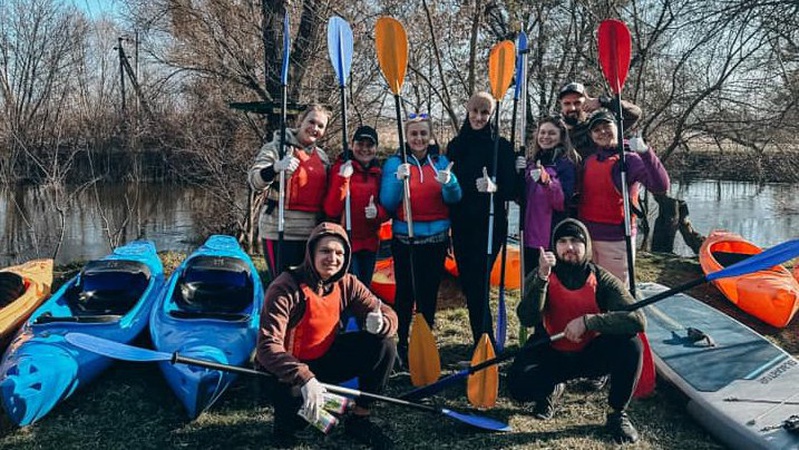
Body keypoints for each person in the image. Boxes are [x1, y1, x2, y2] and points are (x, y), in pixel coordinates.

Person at [256, 222, 398, 449]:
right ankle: (289, 420)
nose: (333, 258)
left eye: (339, 253)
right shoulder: (285, 287)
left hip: (324, 359)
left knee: (385, 345)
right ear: (311, 253)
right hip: (285, 372)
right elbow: (266, 347)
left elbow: (385, 310)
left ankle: (360, 417)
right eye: (325, 251)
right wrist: (304, 377)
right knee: (295, 424)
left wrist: (384, 323)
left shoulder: (347, 283)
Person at [507, 218, 645, 444]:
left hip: (590, 354)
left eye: (575, 241)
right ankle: (551, 389)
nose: (569, 247)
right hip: (551, 352)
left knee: (632, 345)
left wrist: (589, 321)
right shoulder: (542, 273)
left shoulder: (602, 279)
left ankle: (617, 414)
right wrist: (542, 278)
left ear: (586, 246)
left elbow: (637, 320)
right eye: (562, 241)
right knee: (518, 388)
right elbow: (527, 318)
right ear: (555, 245)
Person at [380, 113, 462, 368]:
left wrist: (450, 183)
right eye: (413, 134)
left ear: (431, 136)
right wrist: (397, 181)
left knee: (428, 294)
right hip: (406, 238)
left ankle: (424, 339)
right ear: (407, 136)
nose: (418, 138)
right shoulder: (395, 164)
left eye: (423, 133)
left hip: (436, 238)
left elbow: (454, 199)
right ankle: (402, 341)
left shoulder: (441, 161)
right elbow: (388, 203)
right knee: (405, 292)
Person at [447, 92, 517, 346]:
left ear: (491, 115)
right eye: (475, 111)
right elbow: (449, 189)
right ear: (467, 110)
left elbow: (513, 189)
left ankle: (484, 341)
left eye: (484, 112)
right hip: (462, 225)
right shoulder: (456, 145)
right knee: (469, 285)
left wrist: (494, 187)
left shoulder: (501, 147)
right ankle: (481, 336)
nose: (478, 117)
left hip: (490, 225)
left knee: (479, 283)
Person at [578, 109, 670, 287]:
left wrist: (645, 152)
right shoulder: (590, 160)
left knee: (615, 289)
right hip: (587, 236)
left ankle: (619, 315)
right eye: (596, 130)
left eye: (606, 126)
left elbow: (661, 186)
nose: (602, 132)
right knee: (590, 287)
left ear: (617, 128)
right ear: (591, 135)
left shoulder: (630, 160)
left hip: (616, 238)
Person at [248, 104, 332, 278]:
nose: (314, 128)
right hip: (279, 230)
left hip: (310, 233)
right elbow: (254, 181)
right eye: (311, 122)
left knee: (305, 287)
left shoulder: (323, 158)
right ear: (301, 121)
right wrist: (276, 167)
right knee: (281, 285)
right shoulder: (277, 148)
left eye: (321, 126)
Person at [323, 125, 389, 286]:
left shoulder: (379, 173)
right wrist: (343, 179)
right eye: (360, 144)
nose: (364, 149)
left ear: (376, 148)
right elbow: (331, 209)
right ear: (352, 145)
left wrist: (377, 213)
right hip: (346, 240)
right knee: (348, 287)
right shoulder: (341, 168)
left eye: (370, 145)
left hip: (371, 242)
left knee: (364, 288)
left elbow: (388, 209)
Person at [516, 115, 580, 277]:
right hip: (528, 232)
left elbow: (562, 203)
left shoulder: (565, 165)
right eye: (542, 133)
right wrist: (516, 173)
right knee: (530, 279)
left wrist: (547, 182)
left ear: (561, 137)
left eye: (551, 133)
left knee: (549, 280)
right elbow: (520, 197)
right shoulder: (532, 161)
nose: (545, 137)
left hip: (549, 234)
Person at [557, 82, 642, 158]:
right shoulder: (554, 132)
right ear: (561, 105)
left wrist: (603, 101)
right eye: (567, 103)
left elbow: (634, 113)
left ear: (586, 103)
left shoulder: (599, 128)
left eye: (577, 103)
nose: (572, 108)